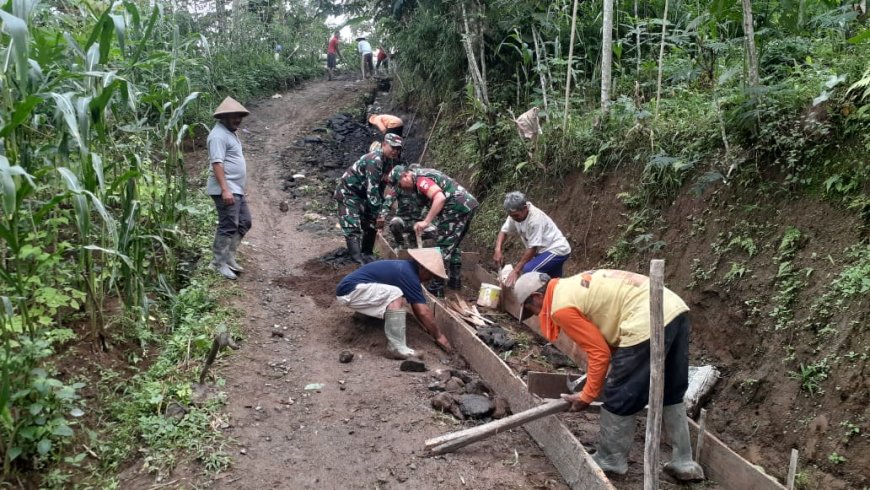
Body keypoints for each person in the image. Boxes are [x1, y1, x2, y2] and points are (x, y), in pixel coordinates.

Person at [513, 270, 705, 482]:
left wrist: (587, 396)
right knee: (670, 390)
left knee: (618, 394)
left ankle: (611, 460)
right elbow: (608, 336)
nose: (538, 314)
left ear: (538, 297)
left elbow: (599, 353)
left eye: (532, 308)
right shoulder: (573, 285)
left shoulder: (561, 307)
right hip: (673, 308)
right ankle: (684, 462)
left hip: (645, 318)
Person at [336, 248, 452, 358]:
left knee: (392, 293)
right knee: (395, 293)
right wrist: (439, 336)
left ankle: (366, 316)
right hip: (351, 292)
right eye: (431, 274)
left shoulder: (405, 268)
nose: (430, 279)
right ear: (424, 268)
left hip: (353, 290)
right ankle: (397, 347)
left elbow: (417, 309)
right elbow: (422, 312)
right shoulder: (409, 275)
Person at [389, 166, 478, 294]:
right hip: (467, 204)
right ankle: (454, 282)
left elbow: (439, 198)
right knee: (452, 245)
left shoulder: (420, 180)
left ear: (405, 176)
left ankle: (436, 289)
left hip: (456, 206)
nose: (401, 188)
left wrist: (426, 222)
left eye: (399, 184)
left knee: (442, 247)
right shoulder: (420, 178)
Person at [334, 133, 403, 264]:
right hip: (349, 192)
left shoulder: (389, 160)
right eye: (392, 147)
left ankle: (367, 254)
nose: (395, 151)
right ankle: (357, 260)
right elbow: (372, 190)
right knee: (352, 225)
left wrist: (378, 213)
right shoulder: (375, 160)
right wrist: (380, 215)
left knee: (370, 222)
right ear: (384, 145)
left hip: (363, 194)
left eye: (398, 149)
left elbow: (381, 186)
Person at [206, 97, 252, 281]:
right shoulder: (217, 136)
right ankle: (217, 263)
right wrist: (225, 189)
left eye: (240, 116)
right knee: (228, 225)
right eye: (234, 116)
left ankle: (229, 257)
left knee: (244, 222)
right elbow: (217, 163)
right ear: (224, 117)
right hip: (226, 189)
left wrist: (239, 188)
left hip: (236, 189)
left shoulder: (229, 132)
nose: (238, 120)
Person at [493, 191, 572, 287]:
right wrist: (498, 250)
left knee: (529, 270)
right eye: (512, 216)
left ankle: (527, 299)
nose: (514, 219)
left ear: (524, 209)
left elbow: (532, 249)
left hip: (556, 249)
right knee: (554, 284)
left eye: (516, 216)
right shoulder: (514, 215)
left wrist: (516, 270)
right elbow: (504, 231)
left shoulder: (535, 220)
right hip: (544, 251)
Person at [379, 166, 436, 249]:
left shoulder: (422, 187)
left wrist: (426, 220)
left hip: (419, 223)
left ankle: (413, 239)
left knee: (436, 232)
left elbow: (433, 206)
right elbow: (387, 204)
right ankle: (400, 243)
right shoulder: (399, 188)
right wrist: (380, 224)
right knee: (395, 223)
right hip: (403, 221)